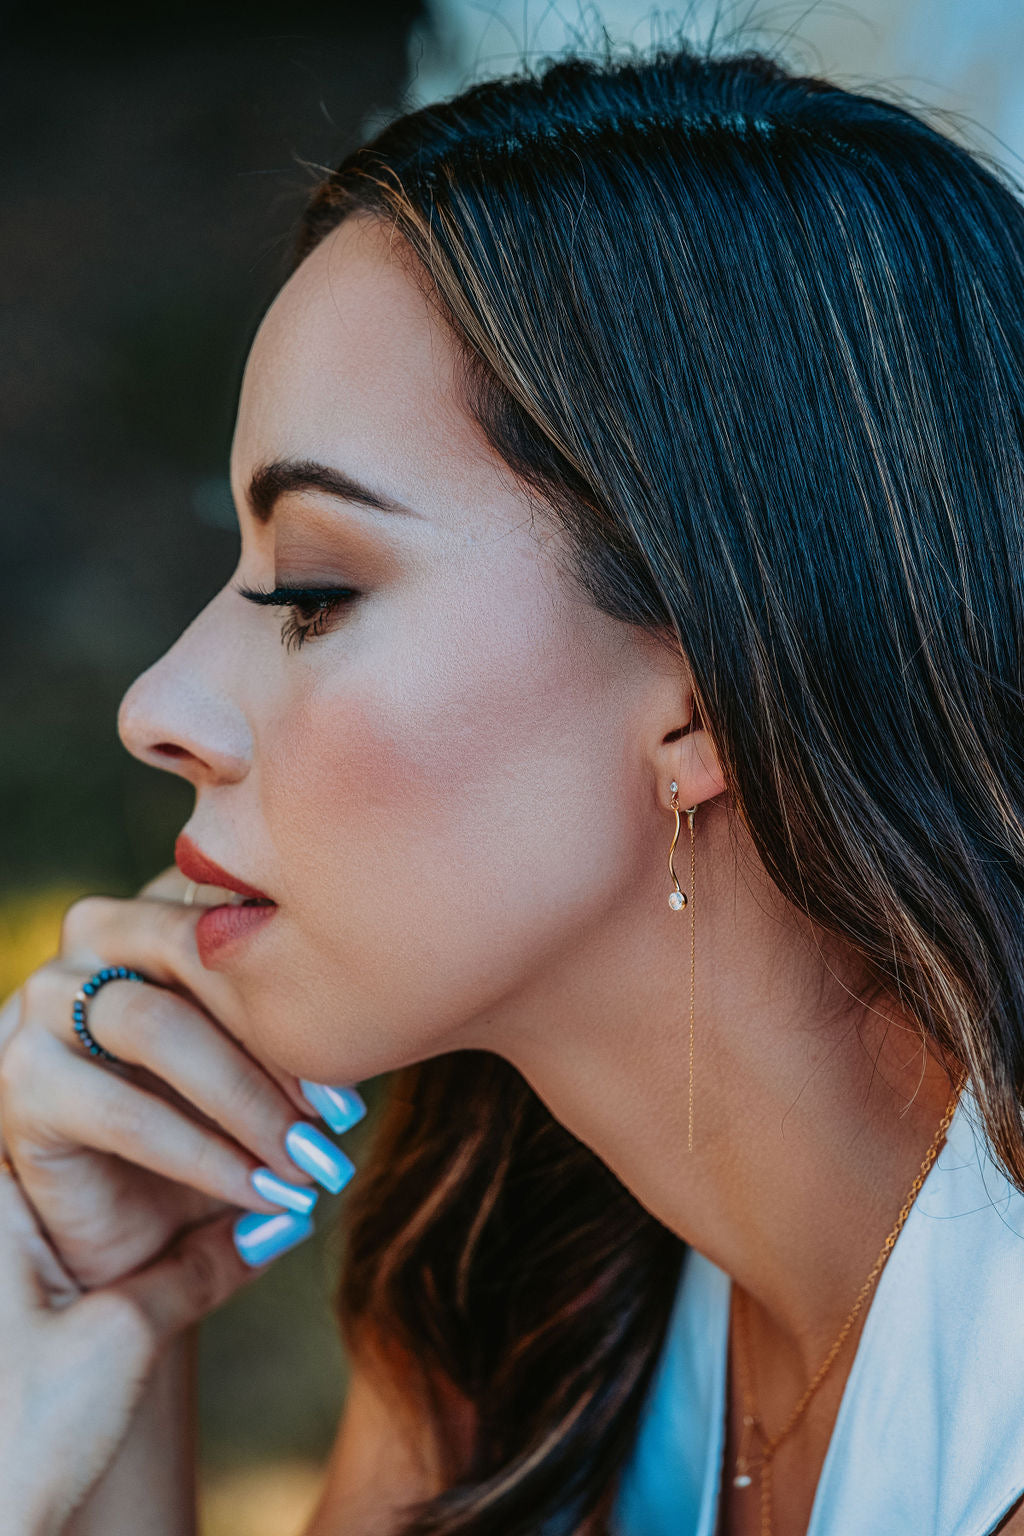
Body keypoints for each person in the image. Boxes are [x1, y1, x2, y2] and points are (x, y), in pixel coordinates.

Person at [2, 35, 1024, 1536]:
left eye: (310, 589)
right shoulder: (526, 1268)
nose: (159, 706)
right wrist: (112, 1313)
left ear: (707, 698)